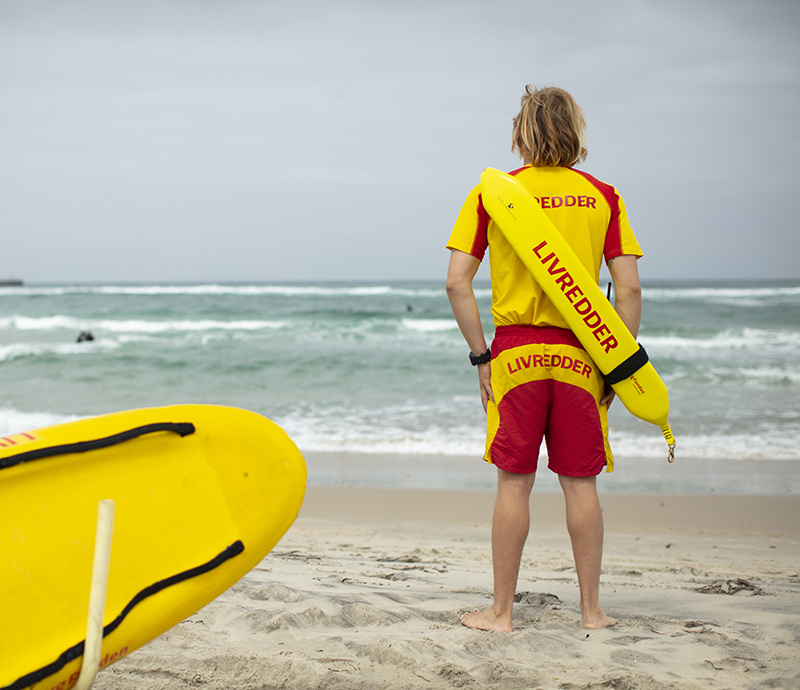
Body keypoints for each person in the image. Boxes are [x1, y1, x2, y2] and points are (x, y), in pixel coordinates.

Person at [445, 85, 643, 632]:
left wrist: (481, 357)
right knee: (581, 484)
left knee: (514, 482)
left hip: (516, 356)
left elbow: (456, 284)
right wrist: (616, 364)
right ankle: (592, 612)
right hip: (583, 353)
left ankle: (501, 613)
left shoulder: (493, 194)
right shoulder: (603, 195)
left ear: (521, 133)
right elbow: (628, 290)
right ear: (575, 131)